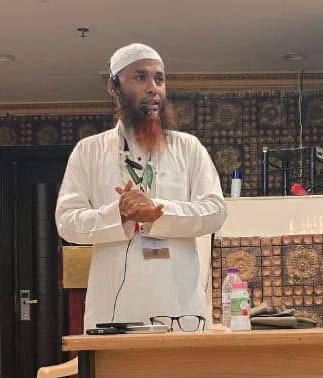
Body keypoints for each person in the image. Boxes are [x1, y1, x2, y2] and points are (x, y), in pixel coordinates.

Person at [56, 44, 227, 330]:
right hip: (112, 311)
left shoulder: (188, 148)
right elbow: (67, 222)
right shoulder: (89, 151)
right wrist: (118, 214)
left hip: (180, 310)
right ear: (113, 87)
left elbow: (215, 211)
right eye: (140, 77)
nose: (153, 88)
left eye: (159, 79)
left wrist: (160, 212)